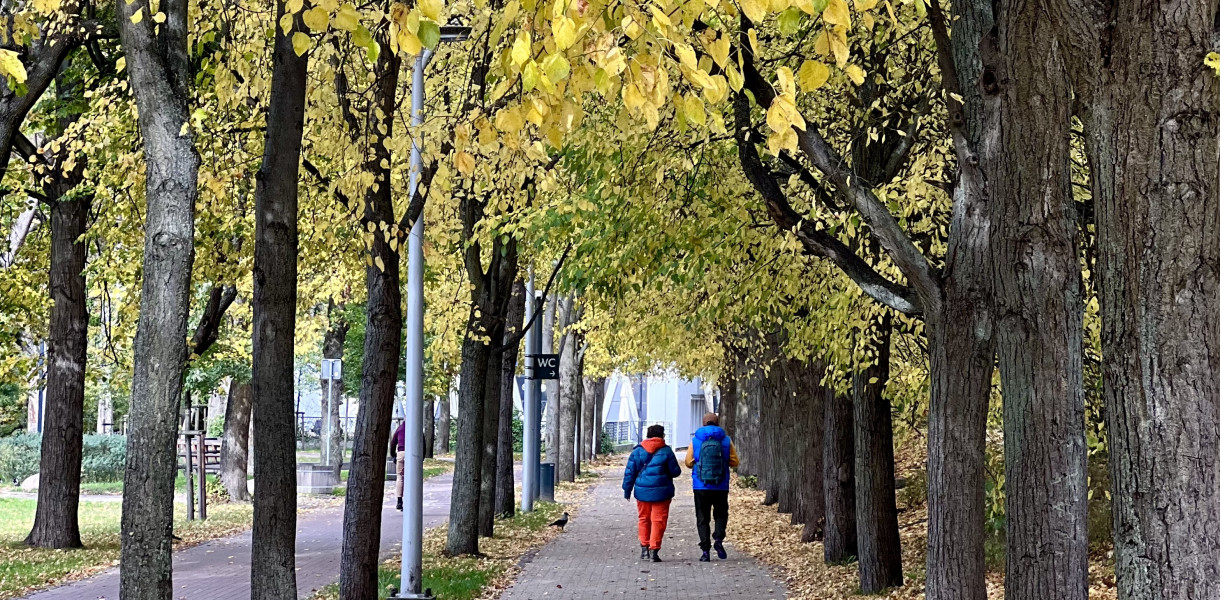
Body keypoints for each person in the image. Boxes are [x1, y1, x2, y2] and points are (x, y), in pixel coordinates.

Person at [623, 424, 681, 562]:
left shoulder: (637, 451)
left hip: (642, 492)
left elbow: (629, 473)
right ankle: (654, 551)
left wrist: (627, 490)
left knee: (644, 519)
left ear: (647, 435)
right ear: (662, 435)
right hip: (662, 493)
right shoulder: (666, 451)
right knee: (658, 521)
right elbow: (675, 472)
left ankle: (644, 549)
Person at [685, 412, 739, 562]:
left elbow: (688, 462)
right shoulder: (726, 440)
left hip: (701, 486)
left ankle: (705, 552)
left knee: (702, 518)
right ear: (717, 423)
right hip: (721, 485)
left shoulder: (695, 440)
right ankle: (719, 539)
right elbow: (735, 462)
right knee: (721, 514)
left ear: (703, 424)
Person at [390, 420, 406, 511]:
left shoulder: (399, 428)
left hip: (401, 453)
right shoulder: (416, 428)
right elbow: (423, 442)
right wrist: (422, 456)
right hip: (413, 455)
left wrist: (393, 455)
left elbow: (393, 443)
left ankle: (399, 501)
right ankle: (411, 499)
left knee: (400, 477)